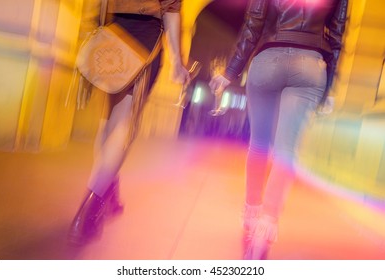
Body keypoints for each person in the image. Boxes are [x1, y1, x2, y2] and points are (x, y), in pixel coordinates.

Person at [209, 0, 348, 259]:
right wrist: (329, 89)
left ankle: (251, 214)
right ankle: (266, 228)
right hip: (310, 64)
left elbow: (253, 24)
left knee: (259, 145)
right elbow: (338, 35)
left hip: (267, 60)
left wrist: (230, 72)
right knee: (287, 151)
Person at [68, 0, 189, 246]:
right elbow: (171, 10)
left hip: (112, 34)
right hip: (145, 42)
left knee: (108, 121)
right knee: (124, 125)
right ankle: (89, 210)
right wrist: (177, 61)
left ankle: (109, 190)